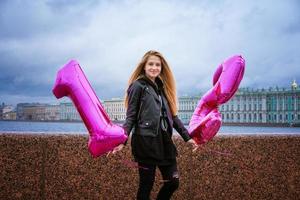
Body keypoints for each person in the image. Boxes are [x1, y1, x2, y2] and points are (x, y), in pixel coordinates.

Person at [111, 50, 198, 200]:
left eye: (157, 65)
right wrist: (122, 141)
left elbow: (173, 117)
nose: (154, 67)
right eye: (151, 64)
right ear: (144, 66)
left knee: (173, 182)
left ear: (161, 68)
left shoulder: (162, 89)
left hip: (165, 143)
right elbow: (130, 117)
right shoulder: (137, 86)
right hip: (146, 143)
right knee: (146, 185)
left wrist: (187, 137)